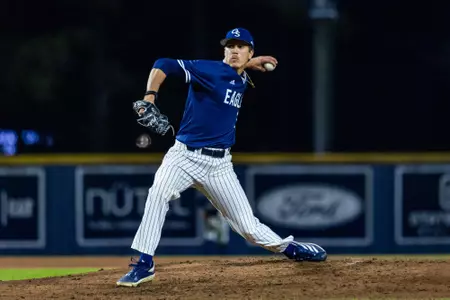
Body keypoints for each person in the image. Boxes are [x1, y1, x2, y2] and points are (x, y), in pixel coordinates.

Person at [116, 27, 327, 287]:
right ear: (224, 51)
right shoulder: (209, 70)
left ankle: (289, 248)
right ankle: (144, 264)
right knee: (158, 193)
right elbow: (163, 64)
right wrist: (150, 96)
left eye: (241, 47)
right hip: (183, 157)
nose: (235, 50)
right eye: (230, 46)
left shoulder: (241, 76)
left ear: (250, 51)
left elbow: (235, 70)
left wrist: (250, 64)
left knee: (247, 226)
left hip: (220, 166)